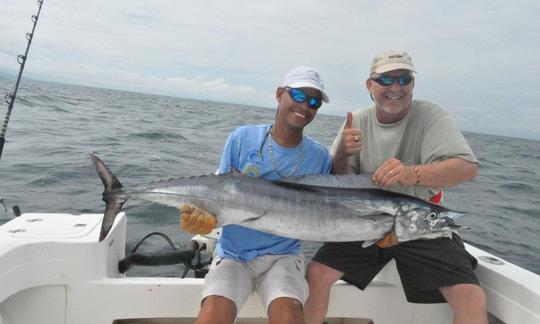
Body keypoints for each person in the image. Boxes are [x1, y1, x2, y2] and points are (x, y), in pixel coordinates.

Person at [304, 49, 488, 324]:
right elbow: (340, 182)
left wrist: (412, 173)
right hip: (364, 223)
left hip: (420, 227)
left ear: (413, 84)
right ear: (370, 85)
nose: (395, 87)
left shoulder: (431, 116)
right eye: (385, 80)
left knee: (471, 297)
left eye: (404, 79)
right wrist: (342, 153)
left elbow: (467, 168)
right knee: (317, 275)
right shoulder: (357, 120)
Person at [181, 66, 333, 324]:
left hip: (283, 257)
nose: (305, 105)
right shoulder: (242, 138)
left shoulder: (319, 157)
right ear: (279, 94)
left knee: (289, 316)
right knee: (212, 316)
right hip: (232, 254)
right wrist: (199, 217)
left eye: (314, 101)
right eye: (298, 95)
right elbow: (217, 195)